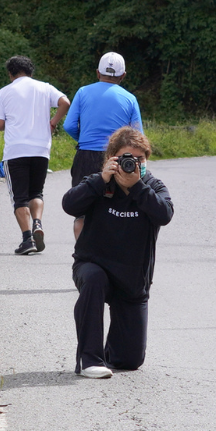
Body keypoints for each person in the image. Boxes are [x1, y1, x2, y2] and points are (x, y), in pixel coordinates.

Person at [62, 126, 173, 379]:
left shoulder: (152, 186)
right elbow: (69, 204)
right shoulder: (98, 183)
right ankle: (90, 359)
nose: (132, 163)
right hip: (93, 266)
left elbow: (164, 215)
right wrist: (101, 180)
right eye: (126, 157)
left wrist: (137, 187)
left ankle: (110, 352)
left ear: (146, 160)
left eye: (139, 159)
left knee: (128, 361)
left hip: (131, 282)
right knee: (94, 279)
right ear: (112, 158)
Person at [0, 55, 70, 255]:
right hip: (41, 150)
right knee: (36, 193)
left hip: (16, 151)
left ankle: (27, 240)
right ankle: (37, 222)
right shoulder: (45, 87)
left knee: (19, 198)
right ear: (31, 71)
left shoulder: (4, 93)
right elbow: (65, 102)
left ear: (10, 74)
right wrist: (53, 122)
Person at [63, 52, 143, 239]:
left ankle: (82, 257)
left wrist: (84, 139)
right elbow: (137, 136)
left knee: (82, 211)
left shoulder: (83, 92)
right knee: (117, 209)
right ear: (123, 76)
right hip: (118, 159)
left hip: (86, 156)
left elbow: (68, 125)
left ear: (98, 73)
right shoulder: (129, 98)